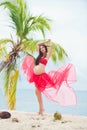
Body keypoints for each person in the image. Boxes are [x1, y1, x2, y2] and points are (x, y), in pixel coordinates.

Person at [22, 39, 77, 115]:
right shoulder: (40, 56)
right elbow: (37, 44)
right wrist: (43, 42)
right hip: (35, 76)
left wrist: (47, 43)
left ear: (45, 48)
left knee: (39, 91)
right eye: (41, 49)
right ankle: (41, 109)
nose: (42, 49)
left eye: (43, 48)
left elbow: (52, 46)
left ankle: (41, 109)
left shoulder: (47, 56)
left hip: (42, 76)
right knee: (37, 92)